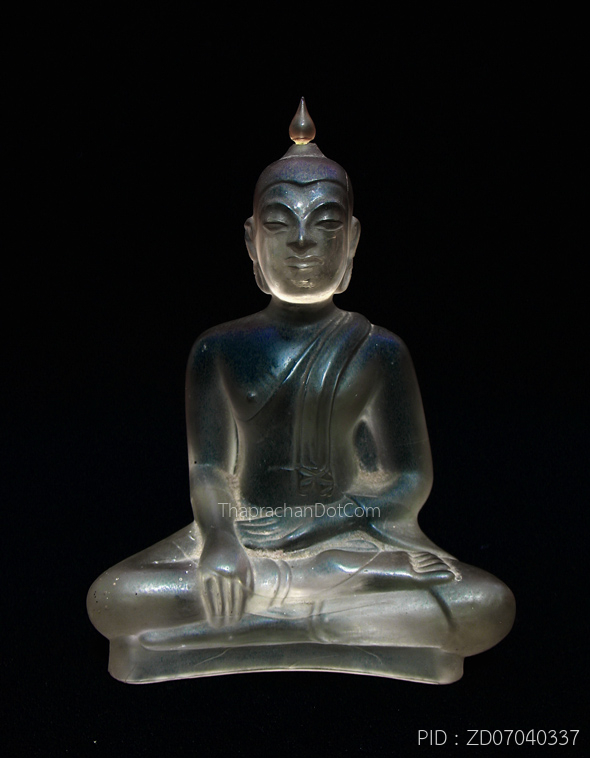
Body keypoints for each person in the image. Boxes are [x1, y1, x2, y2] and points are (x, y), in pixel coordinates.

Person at [87, 100, 515, 683]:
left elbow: (409, 478)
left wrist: (323, 528)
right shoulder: (218, 349)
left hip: (351, 544)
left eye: (327, 223)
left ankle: (247, 625)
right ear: (251, 240)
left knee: (486, 605)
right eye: (280, 223)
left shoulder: (379, 351)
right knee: (114, 597)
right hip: (241, 539)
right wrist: (219, 540)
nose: (304, 242)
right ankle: (326, 622)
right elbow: (210, 468)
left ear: (353, 239)